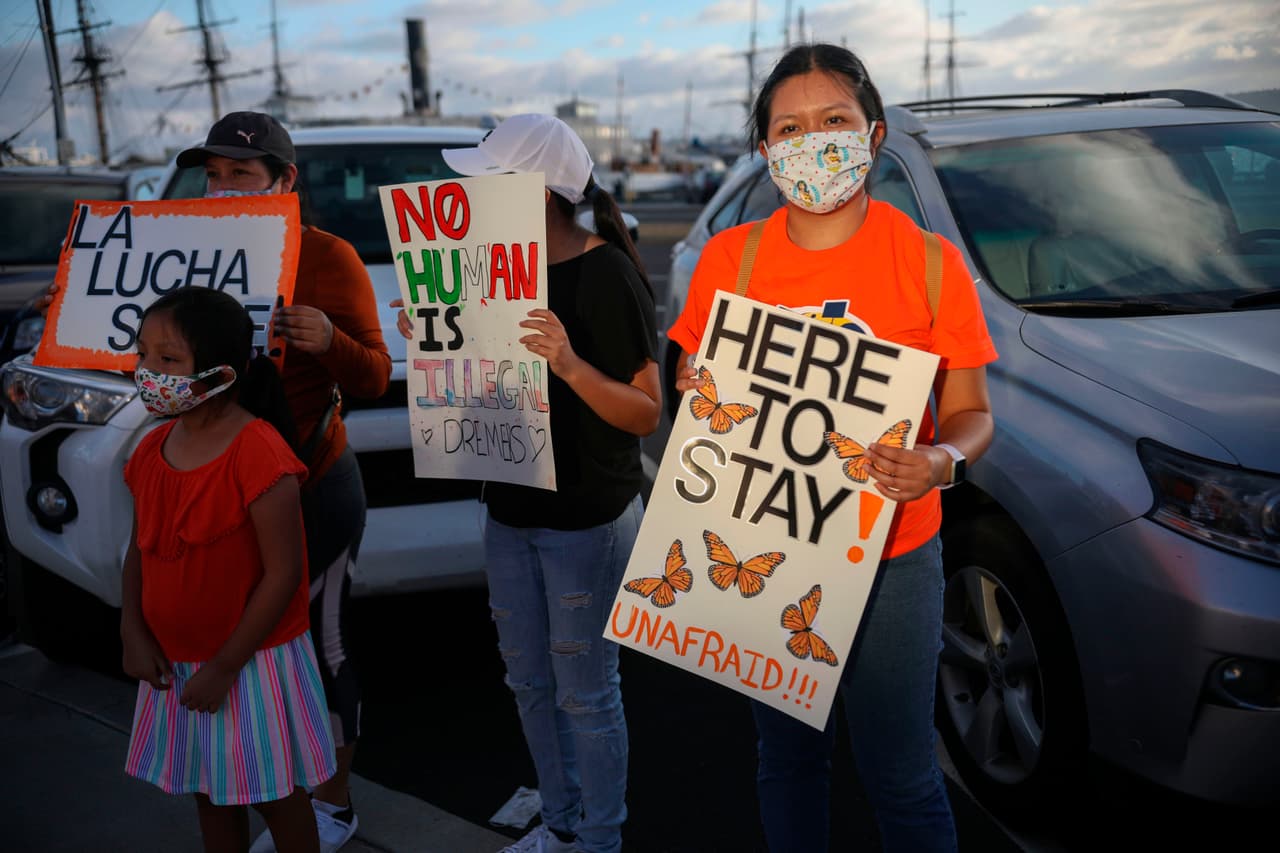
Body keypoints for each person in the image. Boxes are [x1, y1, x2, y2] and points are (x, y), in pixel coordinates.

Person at [27, 111, 392, 852]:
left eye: (242, 174)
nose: (222, 187)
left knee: (316, 647)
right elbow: (153, 346)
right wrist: (73, 314)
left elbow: (378, 376)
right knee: (230, 649)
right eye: (214, 173)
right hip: (209, 486)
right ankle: (249, 782)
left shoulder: (329, 257)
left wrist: (333, 340)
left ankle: (330, 802)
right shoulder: (181, 247)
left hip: (307, 482)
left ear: (284, 182)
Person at [668, 44, 997, 853]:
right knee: (787, 756)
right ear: (765, 150)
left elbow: (971, 415)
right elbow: (696, 382)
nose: (813, 140)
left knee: (903, 771)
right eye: (791, 126)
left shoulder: (928, 262)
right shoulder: (729, 259)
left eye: (834, 121)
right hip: (765, 543)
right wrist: (696, 383)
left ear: (873, 134)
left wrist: (938, 463)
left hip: (895, 554)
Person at [393, 113, 661, 853]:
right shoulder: (479, 267)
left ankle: (599, 840)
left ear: (536, 193)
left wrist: (569, 364)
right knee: (530, 683)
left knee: (585, 692)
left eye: (485, 180)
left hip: (586, 519)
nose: (468, 193)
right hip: (508, 508)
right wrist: (434, 338)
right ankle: (564, 823)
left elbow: (646, 410)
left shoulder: (603, 270)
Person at [121, 287, 335, 853]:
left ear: (219, 374)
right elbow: (139, 548)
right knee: (209, 790)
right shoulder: (149, 450)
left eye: (168, 361)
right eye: (143, 354)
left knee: (273, 793)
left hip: (249, 666)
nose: (147, 372)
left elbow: (282, 574)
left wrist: (222, 668)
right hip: (179, 662)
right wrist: (133, 630)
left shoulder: (258, 452)